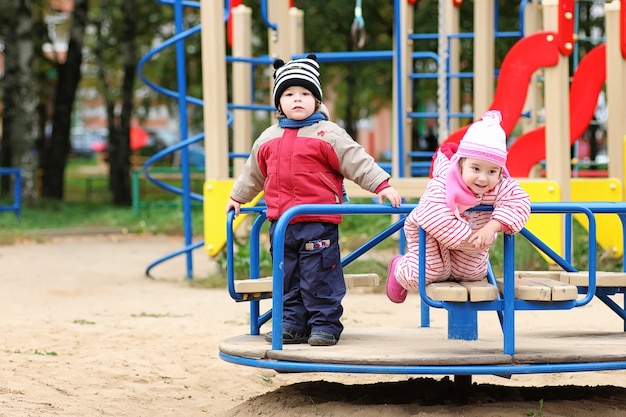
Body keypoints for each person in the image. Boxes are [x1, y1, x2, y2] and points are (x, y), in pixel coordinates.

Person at [225, 54, 402, 345]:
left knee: (320, 274)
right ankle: (292, 324)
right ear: (278, 103)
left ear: (317, 101)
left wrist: (381, 185)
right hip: (282, 223)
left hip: (318, 220)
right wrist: (237, 197)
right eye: (289, 94)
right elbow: (253, 172)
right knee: (288, 277)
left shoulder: (328, 134)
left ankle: (325, 324)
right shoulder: (268, 138)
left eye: (306, 93)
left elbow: (357, 161)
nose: (298, 99)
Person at [386, 110, 531, 303]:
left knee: (473, 274)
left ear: (500, 171)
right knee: (423, 274)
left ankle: (458, 269)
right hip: (432, 240)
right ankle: (398, 268)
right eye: (476, 168)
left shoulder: (500, 184)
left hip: (472, 247)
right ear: (461, 164)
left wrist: (493, 226)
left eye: (492, 171)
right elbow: (434, 214)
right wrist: (468, 237)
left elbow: (519, 202)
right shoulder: (444, 182)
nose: (482, 177)